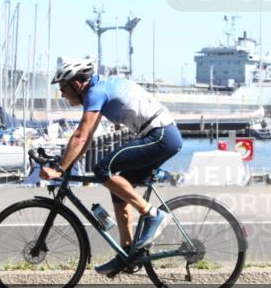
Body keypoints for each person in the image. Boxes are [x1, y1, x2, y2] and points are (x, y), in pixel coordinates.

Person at [39, 58, 183, 275]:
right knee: (119, 189)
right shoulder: (99, 88)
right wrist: (67, 164)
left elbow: (80, 135)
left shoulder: (95, 93)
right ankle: (128, 255)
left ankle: (152, 214)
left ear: (77, 85)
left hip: (160, 135)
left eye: (63, 89)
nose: (62, 94)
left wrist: (59, 169)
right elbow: (86, 138)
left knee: (101, 170)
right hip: (160, 135)